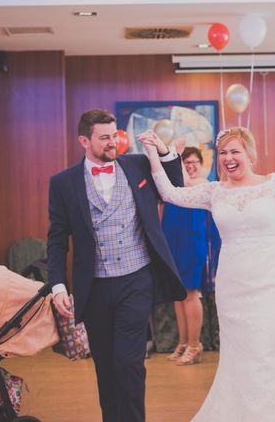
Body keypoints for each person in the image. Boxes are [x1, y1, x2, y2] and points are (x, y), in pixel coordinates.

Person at [138, 116, 275, 422]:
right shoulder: (213, 192)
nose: (228, 158)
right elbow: (170, 194)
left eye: (234, 151)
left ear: (249, 154)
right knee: (239, 352)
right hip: (232, 283)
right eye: (223, 153)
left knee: (269, 348)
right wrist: (154, 154)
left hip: (271, 282)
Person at [47, 109, 186, 422]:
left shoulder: (137, 164)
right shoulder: (63, 183)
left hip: (136, 281)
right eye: (104, 137)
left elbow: (175, 186)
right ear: (84, 140)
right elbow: (56, 239)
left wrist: (163, 150)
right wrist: (57, 286)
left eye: (115, 135)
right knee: (106, 367)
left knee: (129, 363)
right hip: (93, 287)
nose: (113, 143)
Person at [162, 146, 212, 365]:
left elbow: (186, 182)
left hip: (192, 242)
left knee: (191, 293)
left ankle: (195, 345)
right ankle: (183, 343)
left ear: (201, 165)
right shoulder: (173, 184)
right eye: (187, 162)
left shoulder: (203, 184)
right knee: (178, 295)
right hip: (173, 242)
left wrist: (176, 158)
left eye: (194, 162)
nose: (191, 166)